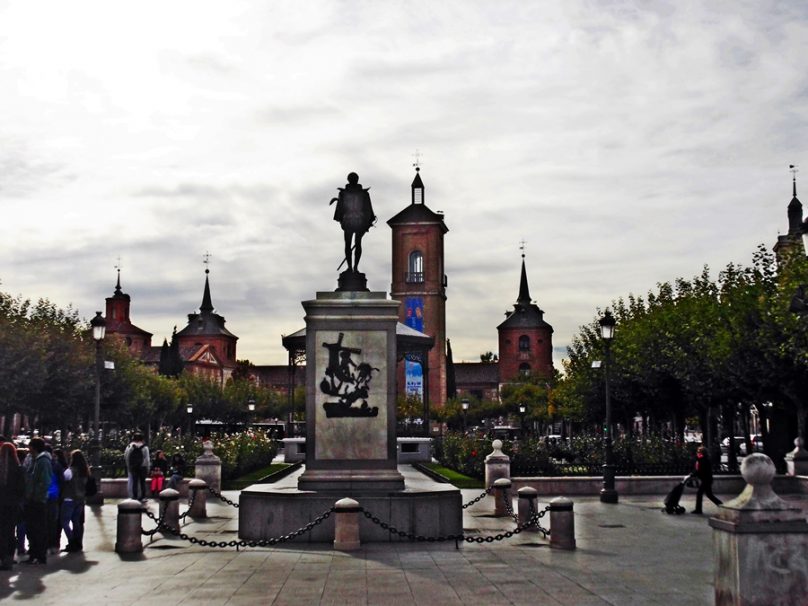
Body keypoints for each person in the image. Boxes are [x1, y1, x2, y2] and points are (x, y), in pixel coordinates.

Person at [330, 172, 376, 272]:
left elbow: (367, 209)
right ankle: (352, 267)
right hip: (353, 221)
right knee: (354, 244)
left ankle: (353, 267)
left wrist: (367, 221)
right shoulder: (346, 193)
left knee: (351, 244)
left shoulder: (361, 194)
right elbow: (367, 209)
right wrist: (368, 221)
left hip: (353, 221)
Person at [23, 437, 52, 564]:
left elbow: (44, 482)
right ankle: (33, 553)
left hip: (37, 501)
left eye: (30, 446)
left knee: (38, 528)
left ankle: (40, 555)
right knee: (31, 528)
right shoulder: (35, 460)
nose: (28, 449)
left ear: (34, 447)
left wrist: (35, 495)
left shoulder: (43, 461)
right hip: (32, 499)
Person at [0, 442, 26, 570]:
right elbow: (22, 489)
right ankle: (9, 559)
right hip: (12, 504)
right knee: (10, 531)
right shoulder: (18, 468)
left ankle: (2, 556)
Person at [61, 449, 89, 552]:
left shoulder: (70, 470)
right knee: (76, 521)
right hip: (80, 499)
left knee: (64, 522)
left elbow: (64, 479)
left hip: (69, 498)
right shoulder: (85, 471)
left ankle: (71, 541)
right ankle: (77, 542)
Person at [46, 447, 67, 554]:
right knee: (54, 521)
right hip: (55, 497)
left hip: (45, 497)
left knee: (45, 521)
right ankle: (54, 544)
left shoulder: (41, 463)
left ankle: (47, 544)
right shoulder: (57, 465)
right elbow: (62, 481)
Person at [692, 445, 723, 514]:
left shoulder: (704, 460)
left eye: (699, 451)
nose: (697, 453)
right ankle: (722, 506)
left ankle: (698, 510)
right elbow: (697, 469)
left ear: (702, 453)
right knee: (709, 495)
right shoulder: (701, 459)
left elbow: (700, 470)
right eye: (697, 451)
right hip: (706, 480)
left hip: (707, 480)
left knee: (700, 493)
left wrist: (694, 474)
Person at [124, 433, 150, 501]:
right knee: (142, 482)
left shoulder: (129, 446)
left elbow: (126, 457)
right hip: (142, 467)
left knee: (134, 482)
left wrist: (129, 466)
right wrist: (147, 468)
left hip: (133, 467)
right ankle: (143, 497)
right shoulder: (145, 447)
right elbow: (147, 459)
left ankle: (134, 496)